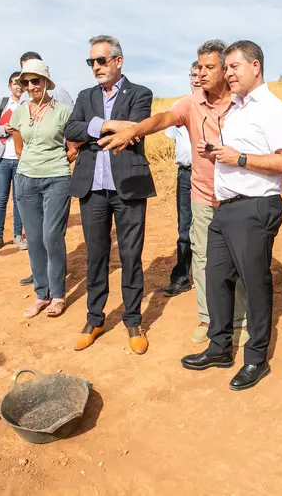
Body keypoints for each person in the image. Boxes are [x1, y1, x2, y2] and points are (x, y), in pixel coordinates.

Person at [98, 40, 249, 346]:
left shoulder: (244, 102)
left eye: (209, 67)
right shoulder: (191, 103)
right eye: (200, 67)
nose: (202, 73)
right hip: (203, 195)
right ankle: (209, 319)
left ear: (223, 68)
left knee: (239, 259)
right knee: (204, 259)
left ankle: (240, 321)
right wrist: (133, 131)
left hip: (239, 196)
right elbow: (164, 119)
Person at [179, 40, 282, 391]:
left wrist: (239, 158)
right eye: (225, 68)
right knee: (216, 278)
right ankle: (219, 347)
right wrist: (218, 154)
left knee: (255, 283)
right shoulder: (239, 109)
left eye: (234, 67)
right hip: (226, 207)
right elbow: (237, 154)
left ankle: (256, 358)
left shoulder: (272, 108)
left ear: (255, 66)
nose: (227, 73)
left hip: (255, 207)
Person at [64, 35, 154, 355]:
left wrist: (95, 127)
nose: (96, 67)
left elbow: (137, 129)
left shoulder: (140, 93)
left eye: (101, 61)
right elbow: (71, 130)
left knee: (130, 256)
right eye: (91, 62)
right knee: (96, 256)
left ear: (118, 61)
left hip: (128, 185)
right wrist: (111, 124)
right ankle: (95, 318)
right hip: (92, 187)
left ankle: (132, 320)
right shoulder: (85, 95)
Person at [11, 59, 74, 319]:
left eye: (35, 80)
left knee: (51, 236)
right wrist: (32, 164)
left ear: (46, 82)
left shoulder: (62, 111)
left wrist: (59, 162)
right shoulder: (20, 112)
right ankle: (41, 295)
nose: (30, 86)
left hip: (57, 179)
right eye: (25, 82)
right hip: (26, 180)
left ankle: (58, 295)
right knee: (34, 239)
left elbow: (74, 146)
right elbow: (18, 148)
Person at [161, 61, 199, 297]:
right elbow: (175, 138)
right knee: (184, 227)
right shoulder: (179, 105)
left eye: (201, 73)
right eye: (193, 74)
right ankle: (182, 277)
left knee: (212, 227)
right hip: (185, 173)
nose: (196, 78)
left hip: (211, 174)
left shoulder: (220, 104)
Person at [0, 71, 27, 252]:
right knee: (1, 199)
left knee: (19, 199)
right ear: (9, 86)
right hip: (1, 159)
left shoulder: (28, 105)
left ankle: (18, 235)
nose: (18, 86)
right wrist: (5, 129)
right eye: (14, 83)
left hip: (21, 159)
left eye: (21, 83)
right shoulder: (0, 104)